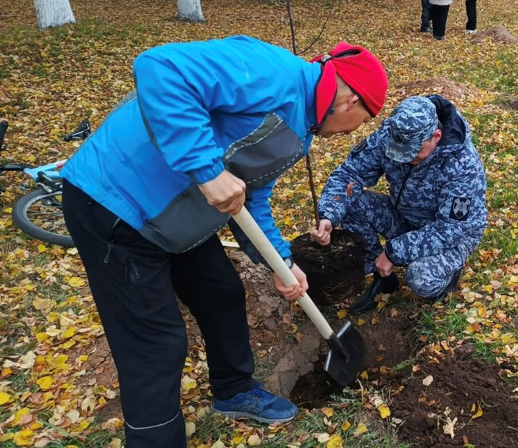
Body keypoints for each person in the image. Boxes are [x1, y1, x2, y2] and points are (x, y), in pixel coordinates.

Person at [61, 37, 388, 448]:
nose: (350, 133)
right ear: (350, 102)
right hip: (116, 203)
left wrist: (281, 261)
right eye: (362, 121)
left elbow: (253, 197)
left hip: (177, 215)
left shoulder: (300, 124)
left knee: (222, 293)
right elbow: (160, 68)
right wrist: (205, 169)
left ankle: (233, 390)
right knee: (155, 342)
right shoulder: (274, 73)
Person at [310, 96, 487, 314]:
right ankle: (381, 274)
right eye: (400, 152)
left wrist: (393, 252)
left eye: (413, 153)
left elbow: (450, 229)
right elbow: (351, 173)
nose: (405, 159)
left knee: (421, 279)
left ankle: (449, 275)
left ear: (436, 137)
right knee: (350, 203)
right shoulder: (391, 134)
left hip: (453, 236)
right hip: (404, 215)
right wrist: (328, 215)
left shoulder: (462, 165)